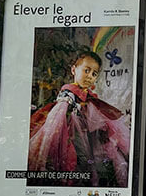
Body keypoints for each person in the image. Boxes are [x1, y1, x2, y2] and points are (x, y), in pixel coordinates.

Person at [28, 50, 131, 187]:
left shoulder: (88, 96)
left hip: (86, 134)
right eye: (86, 70)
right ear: (74, 70)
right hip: (70, 134)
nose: (89, 76)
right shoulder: (68, 94)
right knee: (74, 161)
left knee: (89, 161)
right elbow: (59, 116)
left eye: (94, 74)